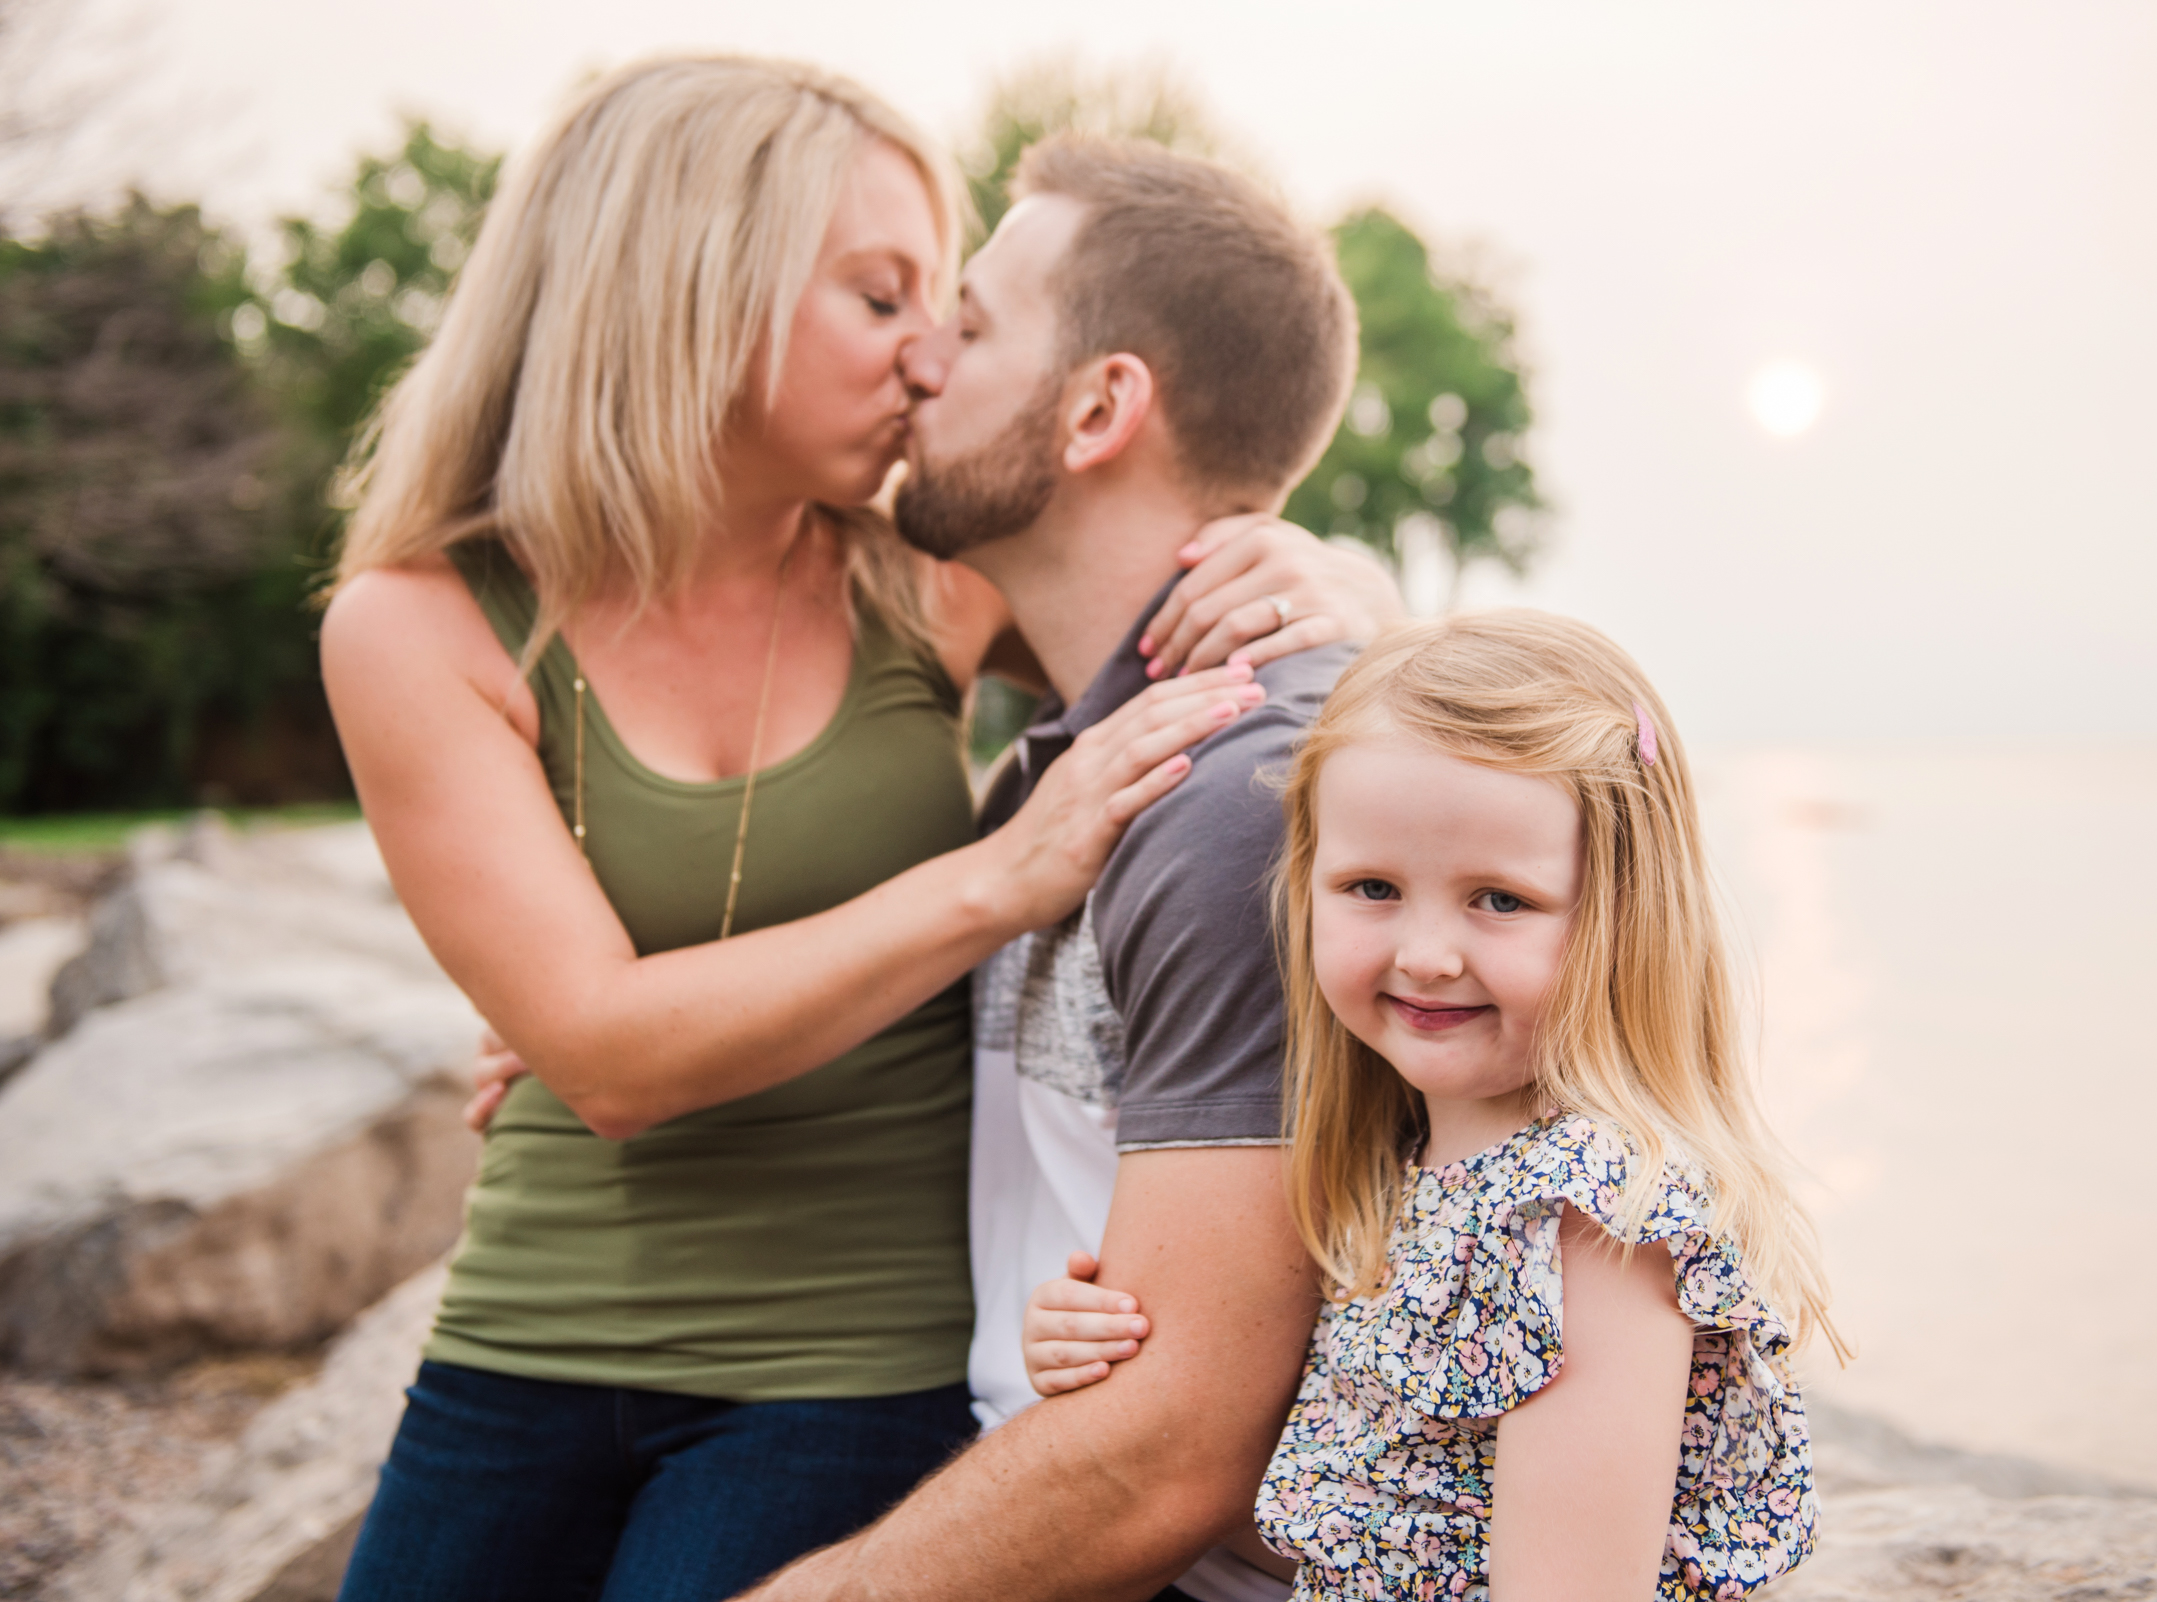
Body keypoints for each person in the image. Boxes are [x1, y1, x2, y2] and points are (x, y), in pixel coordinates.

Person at [319, 57, 1399, 1602]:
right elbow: (608, 1049)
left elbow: (1170, 591)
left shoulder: (924, 570)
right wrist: (991, 882)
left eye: (948, 315)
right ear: (693, 285)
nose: (920, 360)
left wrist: (1353, 596)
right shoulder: (419, 623)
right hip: (530, 1326)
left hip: (854, 1360)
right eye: (885, 299)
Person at [738, 137, 1367, 1602]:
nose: (917, 367)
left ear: (1098, 407)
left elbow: (1169, 1453)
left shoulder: (1232, 798)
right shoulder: (1083, 744)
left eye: (967, 324)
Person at [1027, 611, 1843, 1602]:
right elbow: (1366, 1525)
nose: (1424, 954)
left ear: (1623, 915)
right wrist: (1102, 1360)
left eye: (1498, 899)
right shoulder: (1403, 1169)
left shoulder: (1591, 1221)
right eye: (1373, 887)